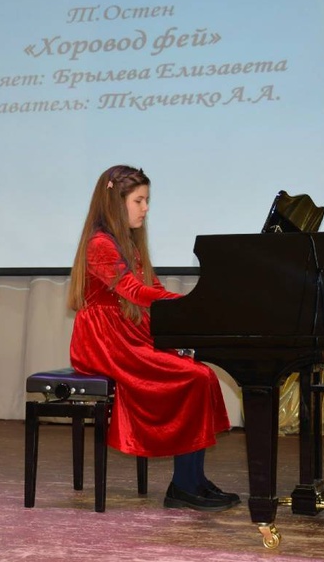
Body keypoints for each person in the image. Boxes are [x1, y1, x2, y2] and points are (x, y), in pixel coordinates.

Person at [68, 164, 239, 512]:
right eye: (139, 200)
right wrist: (192, 303)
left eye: (147, 201)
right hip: (103, 341)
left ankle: (193, 480)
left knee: (201, 375)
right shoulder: (100, 244)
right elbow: (134, 291)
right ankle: (185, 485)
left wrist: (194, 303)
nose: (146, 208)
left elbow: (154, 289)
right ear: (116, 202)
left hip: (125, 333)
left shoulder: (128, 243)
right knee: (193, 377)